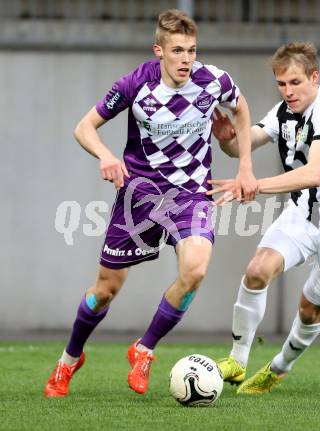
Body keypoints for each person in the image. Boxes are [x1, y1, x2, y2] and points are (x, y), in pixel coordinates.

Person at [45, 9, 257, 398]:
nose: (186, 60)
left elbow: (241, 108)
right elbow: (83, 127)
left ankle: (143, 350)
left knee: (195, 270)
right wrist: (106, 156)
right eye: (177, 51)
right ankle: (68, 359)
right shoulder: (135, 84)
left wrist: (245, 165)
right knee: (105, 290)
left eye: (191, 50)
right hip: (139, 197)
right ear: (158, 50)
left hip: (192, 195)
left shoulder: (214, 81)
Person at [209, 42, 320, 394]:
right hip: (305, 211)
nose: (288, 91)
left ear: (314, 78)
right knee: (257, 270)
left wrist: (254, 185)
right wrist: (230, 141)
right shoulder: (284, 112)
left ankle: (280, 366)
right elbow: (250, 140)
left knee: (308, 309)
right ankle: (237, 361)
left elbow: (314, 173)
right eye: (281, 84)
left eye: (295, 83)